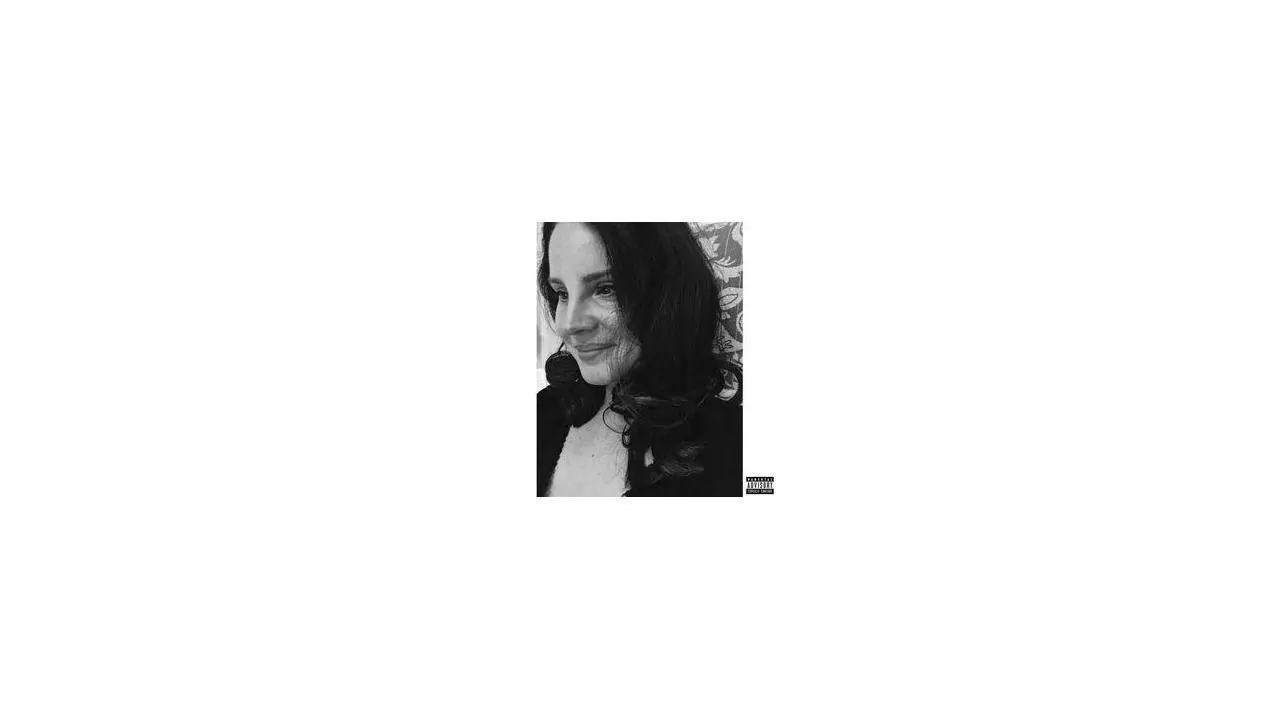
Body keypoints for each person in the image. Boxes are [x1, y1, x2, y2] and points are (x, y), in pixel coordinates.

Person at [536, 222, 743, 497]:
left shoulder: (734, 447)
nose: (569, 324)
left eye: (606, 288)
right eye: (562, 294)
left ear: (668, 294)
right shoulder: (544, 409)